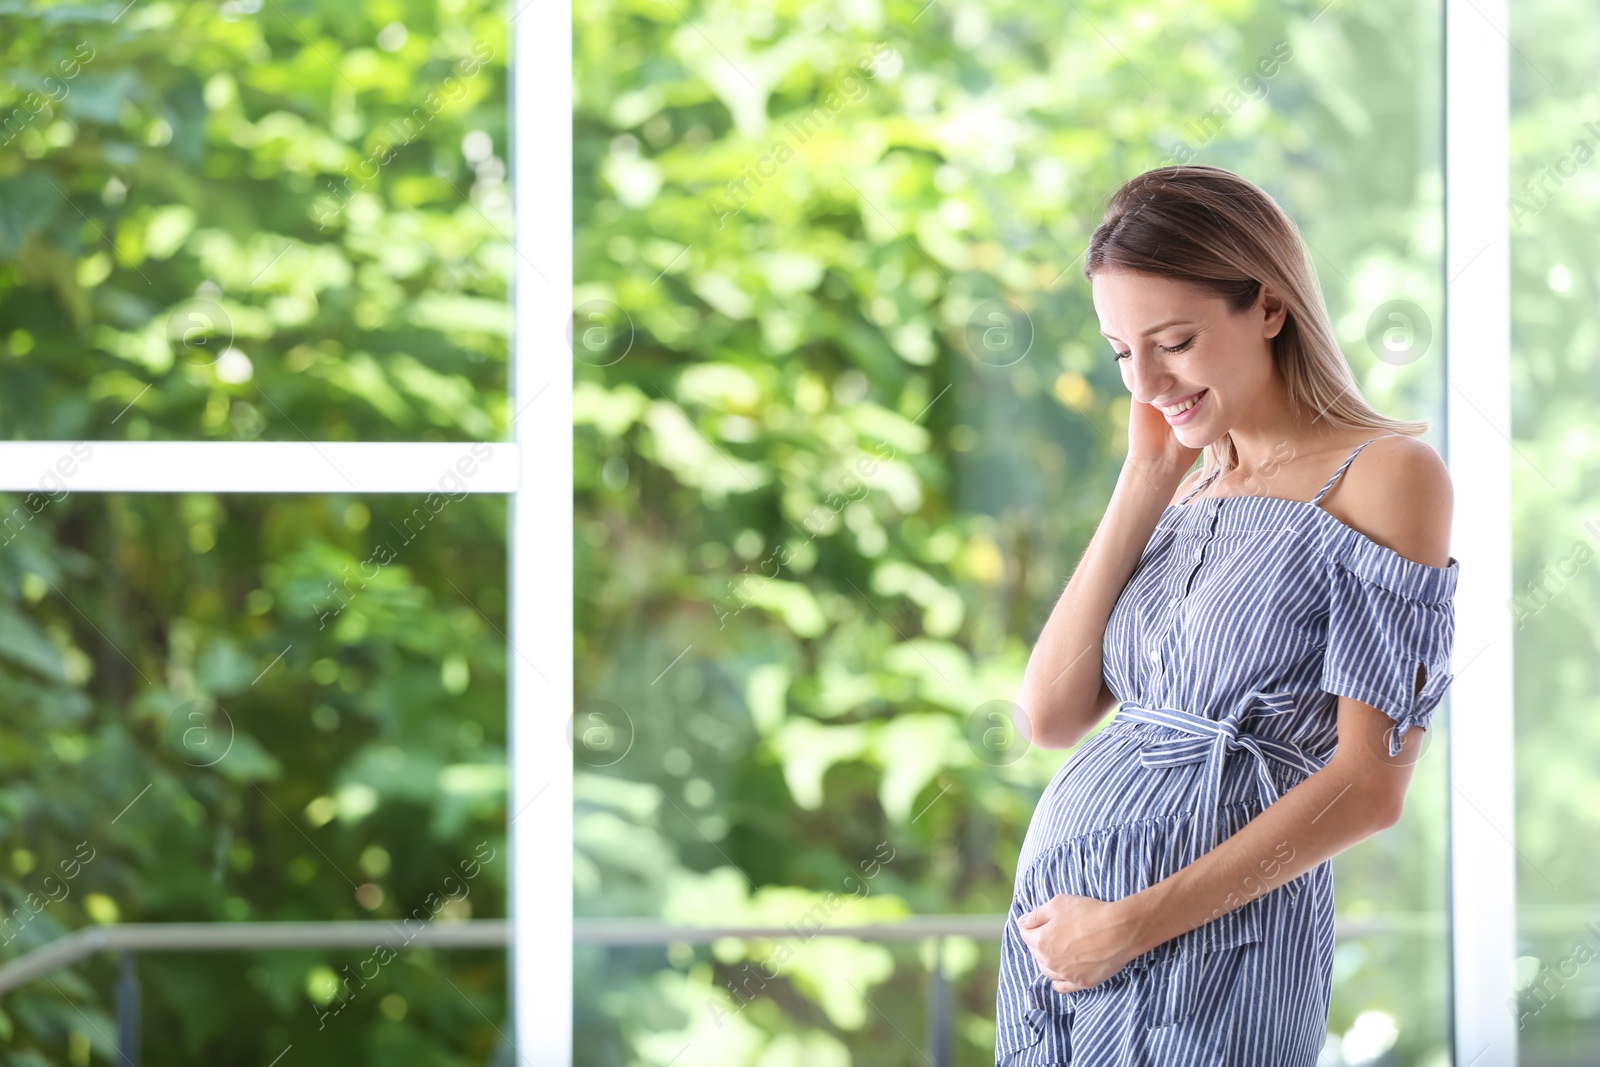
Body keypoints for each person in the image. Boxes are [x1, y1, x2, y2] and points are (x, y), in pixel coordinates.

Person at [993, 165, 1459, 1066]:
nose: (1149, 379)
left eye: (1174, 340)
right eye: (1123, 352)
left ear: (1270, 307)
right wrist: (1145, 478)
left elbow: (1371, 784)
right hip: (1060, 952)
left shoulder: (1385, 476)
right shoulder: (1190, 487)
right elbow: (1049, 716)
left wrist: (1131, 923)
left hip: (1212, 958)